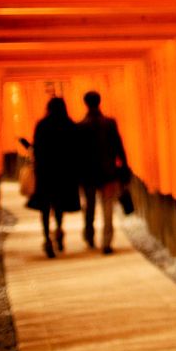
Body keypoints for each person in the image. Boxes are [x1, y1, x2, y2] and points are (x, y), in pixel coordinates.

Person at [28, 97, 82, 258]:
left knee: (45, 207)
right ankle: (58, 228)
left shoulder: (42, 125)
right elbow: (76, 149)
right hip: (64, 172)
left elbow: (36, 148)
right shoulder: (70, 125)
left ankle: (46, 238)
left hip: (46, 171)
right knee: (59, 204)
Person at [77, 91, 128, 255]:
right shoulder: (110, 123)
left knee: (89, 206)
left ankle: (90, 235)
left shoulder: (81, 126)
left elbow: (77, 153)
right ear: (100, 102)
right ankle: (107, 242)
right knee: (107, 208)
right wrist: (124, 166)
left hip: (88, 175)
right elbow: (119, 147)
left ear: (85, 103)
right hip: (108, 173)